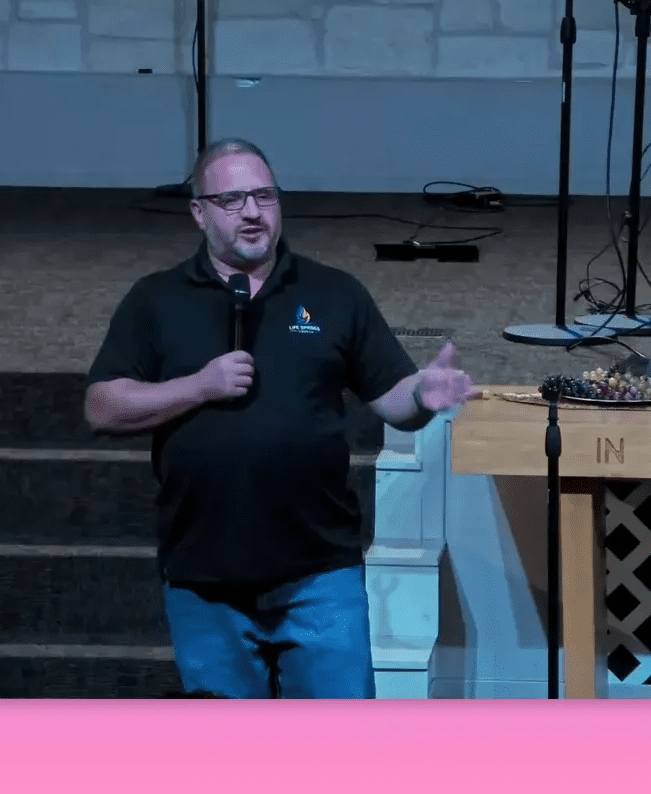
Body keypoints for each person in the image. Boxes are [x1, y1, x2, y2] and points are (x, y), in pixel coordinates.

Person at [84, 137, 478, 699]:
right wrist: (199, 385)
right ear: (199, 212)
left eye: (264, 196)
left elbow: (390, 393)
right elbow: (102, 405)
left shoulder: (334, 292)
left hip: (320, 573)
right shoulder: (156, 300)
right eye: (232, 199)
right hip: (205, 577)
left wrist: (422, 393)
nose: (252, 212)